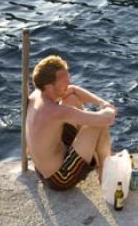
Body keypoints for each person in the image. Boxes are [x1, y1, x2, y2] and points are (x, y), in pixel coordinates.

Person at [26, 55, 115, 191]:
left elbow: (72, 89)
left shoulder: (37, 95)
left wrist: (102, 103)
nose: (69, 81)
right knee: (97, 125)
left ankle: (100, 158)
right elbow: (107, 119)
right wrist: (109, 109)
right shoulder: (56, 111)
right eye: (64, 80)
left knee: (72, 98)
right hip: (59, 178)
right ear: (49, 86)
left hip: (43, 167)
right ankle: (105, 172)